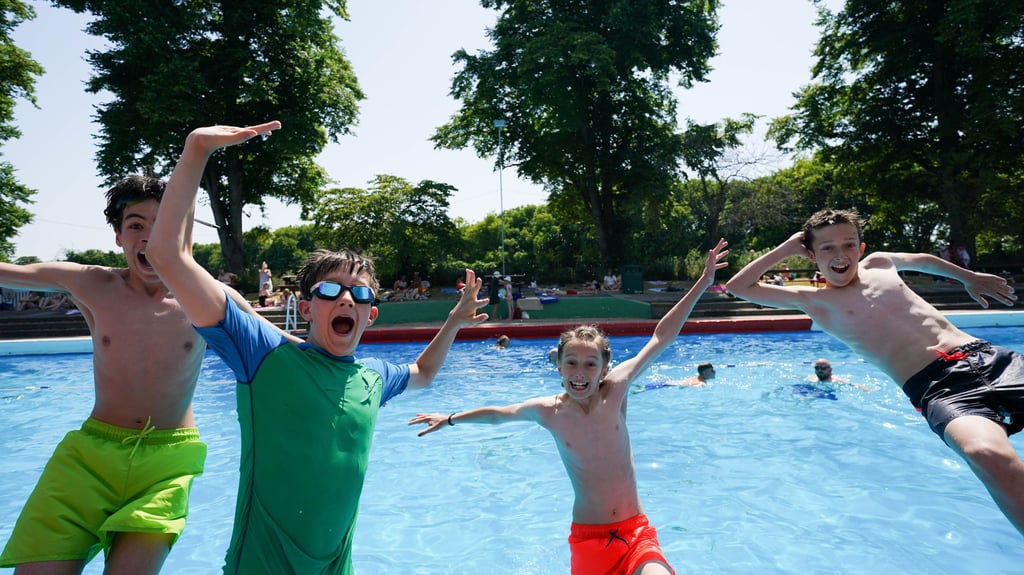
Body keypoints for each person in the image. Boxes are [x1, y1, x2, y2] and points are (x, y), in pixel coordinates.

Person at [145, 120, 490, 573]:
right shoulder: (263, 354)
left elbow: (423, 374)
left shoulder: (372, 378)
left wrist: (453, 320)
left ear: (371, 314)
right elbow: (167, 255)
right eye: (331, 291)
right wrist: (196, 150)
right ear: (306, 309)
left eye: (360, 294)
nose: (347, 299)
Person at [409, 239, 729, 575]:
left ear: (604, 369)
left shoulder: (616, 389)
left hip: (637, 535)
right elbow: (498, 414)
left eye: (591, 364)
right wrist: (450, 418)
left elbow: (660, 337)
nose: (580, 372)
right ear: (559, 368)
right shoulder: (550, 411)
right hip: (589, 540)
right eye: (571, 363)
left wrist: (702, 283)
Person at [0, 173, 260, 573]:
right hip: (89, 458)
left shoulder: (209, 297)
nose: (150, 239)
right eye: (136, 225)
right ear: (119, 237)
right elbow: (10, 271)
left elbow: (281, 352)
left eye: (162, 226)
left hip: (167, 464)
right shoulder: (94, 284)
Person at [726, 208, 1024, 535]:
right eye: (827, 248)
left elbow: (924, 260)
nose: (840, 255)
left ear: (861, 248)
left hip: (989, 358)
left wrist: (969, 277)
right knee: (984, 453)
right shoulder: (814, 300)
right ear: (811, 255)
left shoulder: (881, 263)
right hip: (940, 388)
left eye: (848, 244)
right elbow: (739, 286)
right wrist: (788, 246)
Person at [634, 361, 715, 392]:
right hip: (668, 385)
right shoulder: (702, 383)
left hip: (665, 383)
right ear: (704, 373)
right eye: (712, 371)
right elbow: (684, 387)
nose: (714, 372)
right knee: (639, 391)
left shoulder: (696, 377)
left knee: (644, 387)